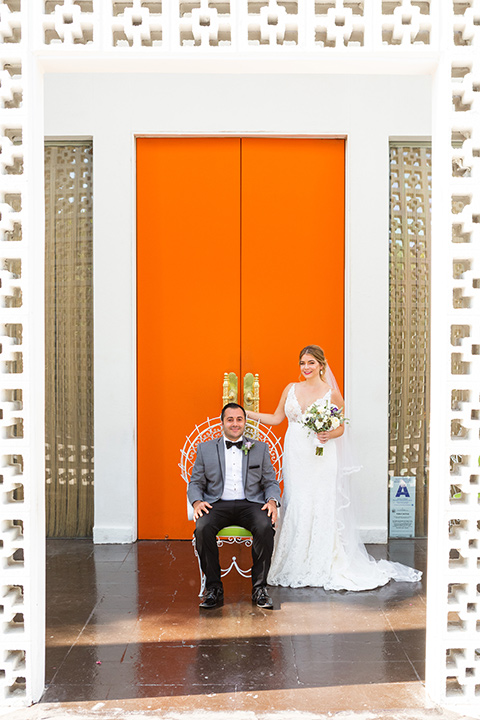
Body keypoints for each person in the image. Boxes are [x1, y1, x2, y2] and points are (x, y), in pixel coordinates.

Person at [247, 344, 422, 591]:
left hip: (321, 456)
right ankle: (293, 560)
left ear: (321, 364)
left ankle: (321, 560)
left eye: (311, 362)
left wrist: (329, 433)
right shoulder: (291, 389)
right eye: (302, 363)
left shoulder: (331, 394)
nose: (306, 367)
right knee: (297, 501)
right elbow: (277, 418)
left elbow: (341, 427)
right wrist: (246, 414)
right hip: (296, 455)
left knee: (320, 503)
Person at [188, 402, 282, 609]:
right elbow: (195, 482)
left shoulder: (260, 448)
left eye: (239, 419)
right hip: (216, 503)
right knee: (202, 528)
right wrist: (196, 502)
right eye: (230, 419)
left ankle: (259, 589)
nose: (235, 424)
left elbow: (270, 482)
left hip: (251, 503)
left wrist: (273, 501)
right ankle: (214, 589)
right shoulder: (205, 449)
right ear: (222, 422)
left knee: (265, 527)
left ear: (245, 422)